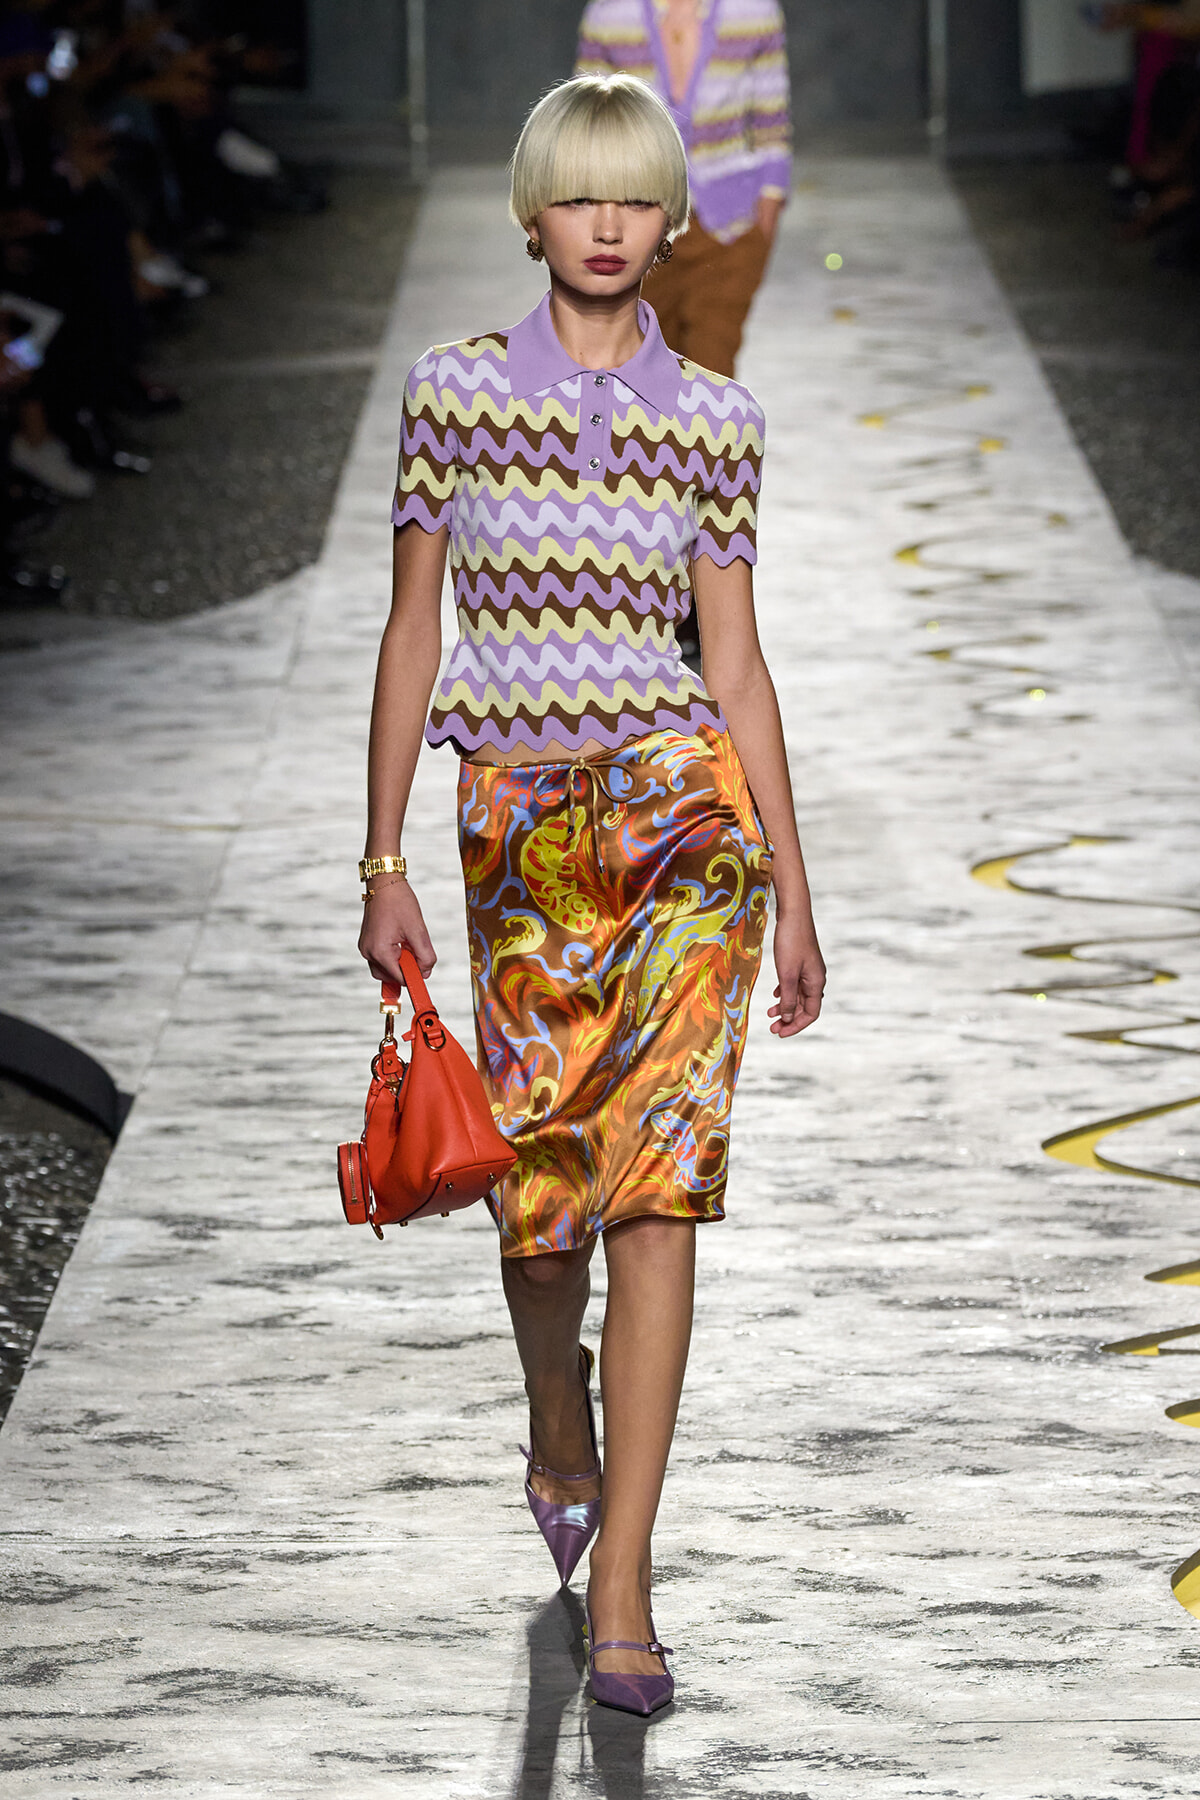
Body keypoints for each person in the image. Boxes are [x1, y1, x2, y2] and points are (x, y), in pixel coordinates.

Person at [357, 72, 823, 1717]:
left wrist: (799, 887)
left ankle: (624, 1579)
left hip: (687, 832)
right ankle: (558, 1417)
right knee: (539, 1211)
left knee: (662, 1190)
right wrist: (385, 858)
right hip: (521, 840)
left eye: (637, 197)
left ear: (667, 217)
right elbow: (416, 632)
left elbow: (740, 666)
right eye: (582, 194)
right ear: (533, 211)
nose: (611, 225)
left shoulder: (719, 420)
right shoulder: (451, 393)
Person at [575, 0, 792, 379]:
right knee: (644, 374)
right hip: (638, 225)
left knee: (711, 371)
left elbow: (772, 118)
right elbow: (586, 126)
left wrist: (771, 200)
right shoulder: (609, 14)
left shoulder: (754, 10)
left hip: (729, 224)